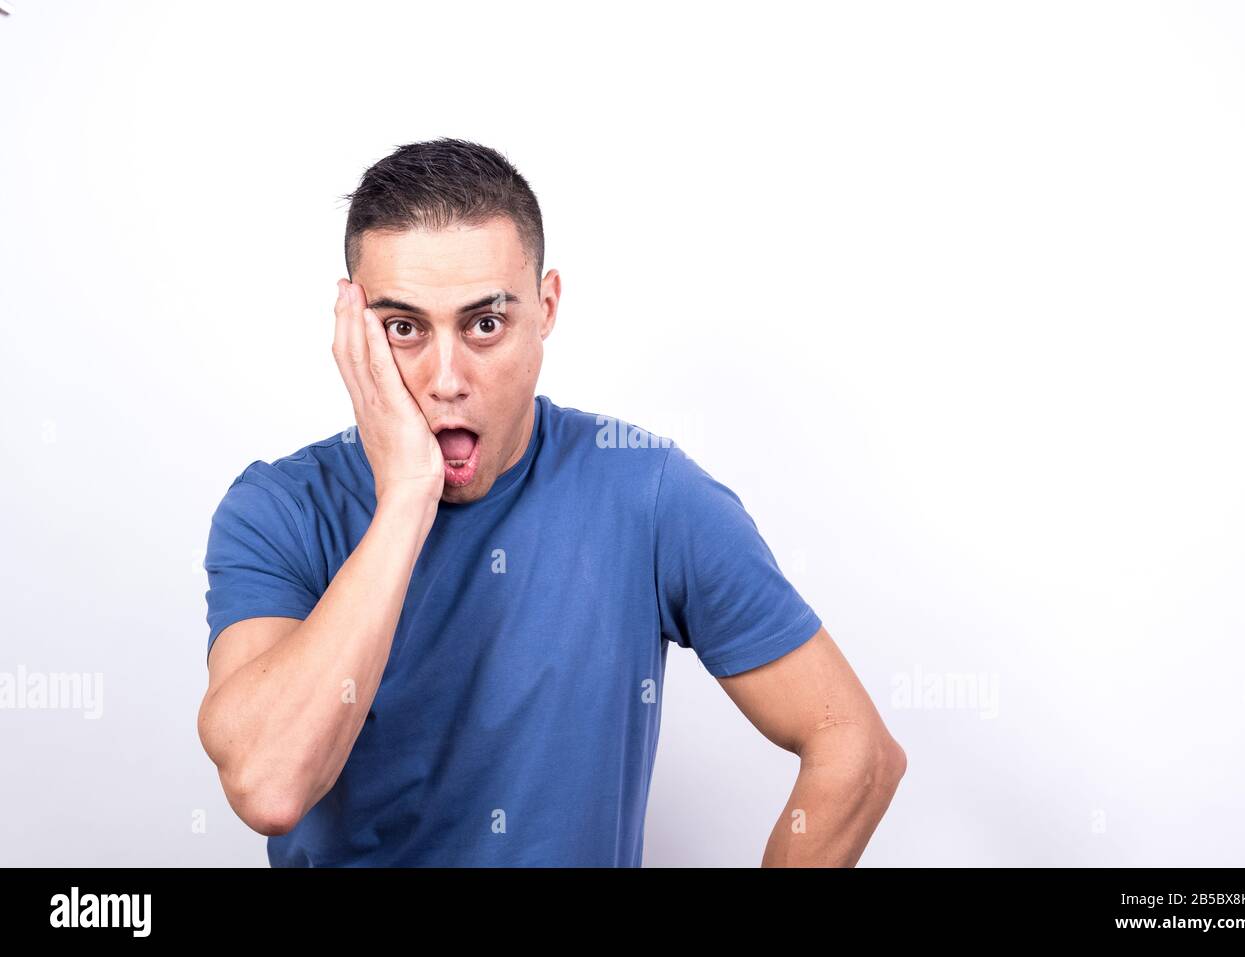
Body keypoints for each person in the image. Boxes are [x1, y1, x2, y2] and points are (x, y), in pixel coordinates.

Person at [196, 138, 906, 866]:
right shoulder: (279, 510)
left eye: (484, 324)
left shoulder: (648, 494)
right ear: (354, 332)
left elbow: (855, 748)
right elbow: (268, 783)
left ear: (546, 308)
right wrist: (407, 496)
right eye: (403, 328)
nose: (446, 379)